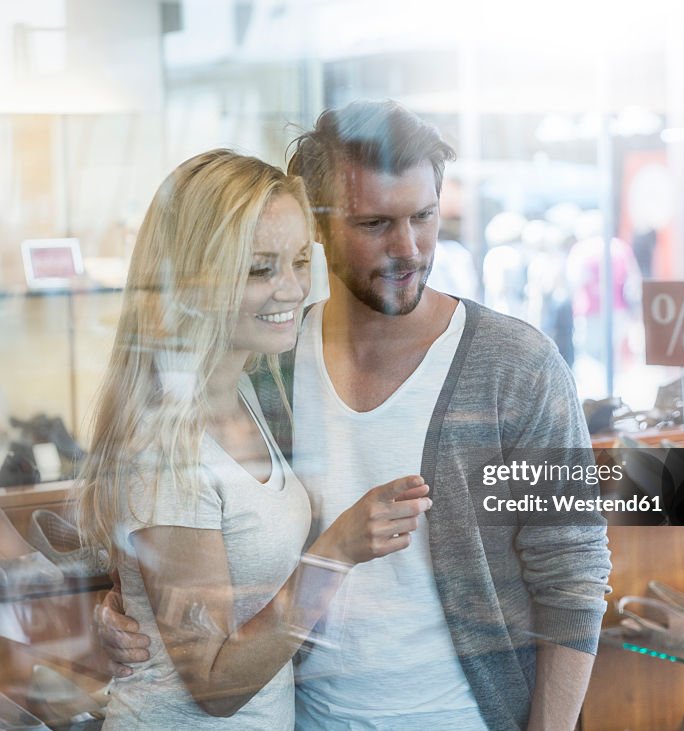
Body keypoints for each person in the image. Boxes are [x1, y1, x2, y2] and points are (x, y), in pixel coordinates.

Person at [98, 103, 612, 731]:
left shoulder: (517, 367)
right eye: (374, 223)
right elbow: (200, 541)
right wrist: (134, 606)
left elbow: (573, 577)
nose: (408, 248)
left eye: (423, 217)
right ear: (317, 225)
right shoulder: (269, 367)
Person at [76, 149, 432, 730]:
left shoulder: (250, 388)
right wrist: (335, 553)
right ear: (192, 279)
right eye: (259, 269)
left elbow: (159, 579)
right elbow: (216, 685)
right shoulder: (167, 443)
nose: (292, 290)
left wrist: (129, 596)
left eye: (297, 261)